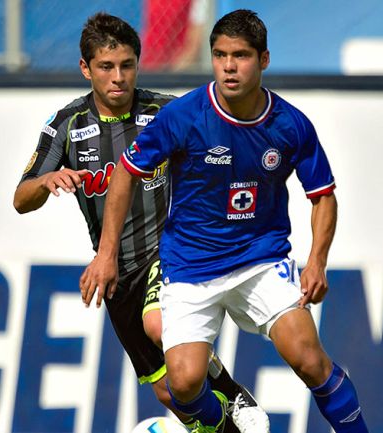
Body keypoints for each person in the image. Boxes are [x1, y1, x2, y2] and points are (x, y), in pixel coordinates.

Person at [81, 9, 369, 433]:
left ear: (264, 59)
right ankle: (225, 423)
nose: (229, 66)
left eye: (241, 55)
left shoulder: (290, 125)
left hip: (261, 259)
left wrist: (316, 262)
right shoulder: (186, 116)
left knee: (310, 359)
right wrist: (106, 254)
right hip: (190, 267)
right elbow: (126, 171)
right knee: (183, 383)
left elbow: (322, 196)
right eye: (220, 55)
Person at [13, 12, 268, 433]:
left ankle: (234, 392)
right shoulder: (67, 125)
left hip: (170, 251)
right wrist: (45, 181)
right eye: (106, 67)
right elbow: (21, 199)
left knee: (159, 325)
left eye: (127, 65)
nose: (118, 77)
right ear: (85, 68)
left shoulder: (165, 112)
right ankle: (226, 428)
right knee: (169, 390)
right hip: (115, 273)